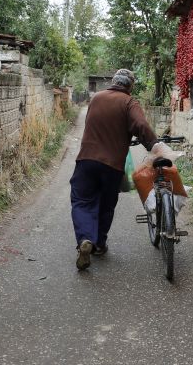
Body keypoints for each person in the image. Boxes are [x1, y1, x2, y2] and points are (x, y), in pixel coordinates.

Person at [70, 68, 157, 270]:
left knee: (82, 201)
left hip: (86, 160)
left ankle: (85, 239)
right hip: (112, 165)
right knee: (106, 204)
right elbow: (141, 124)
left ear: (113, 81)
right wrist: (154, 145)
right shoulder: (129, 102)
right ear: (130, 86)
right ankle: (99, 244)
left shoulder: (96, 98)